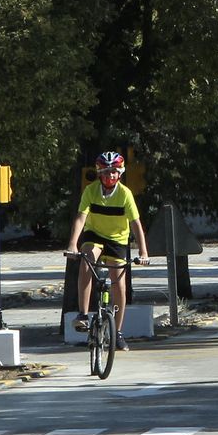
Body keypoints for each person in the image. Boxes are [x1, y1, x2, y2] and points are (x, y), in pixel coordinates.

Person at [65, 150, 150, 351]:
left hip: (118, 240)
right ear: (99, 173)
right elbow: (81, 218)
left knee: (119, 283)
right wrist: (72, 244)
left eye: (113, 172)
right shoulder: (91, 191)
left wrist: (144, 252)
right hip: (94, 235)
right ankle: (83, 314)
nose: (109, 176)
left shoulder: (125, 194)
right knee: (86, 260)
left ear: (119, 173)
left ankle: (117, 333)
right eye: (105, 172)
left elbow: (136, 224)